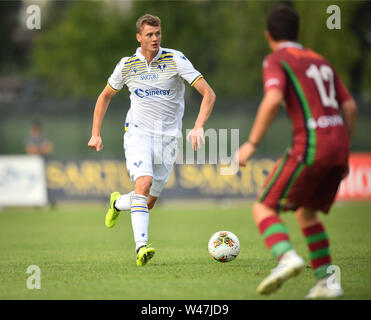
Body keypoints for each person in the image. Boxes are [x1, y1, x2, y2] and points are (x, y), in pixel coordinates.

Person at [236, 5, 357, 298]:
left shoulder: (277, 59)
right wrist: (343, 149)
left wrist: (251, 143)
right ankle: (328, 283)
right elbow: (350, 107)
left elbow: (273, 97)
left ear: (269, 35)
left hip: (312, 144)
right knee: (307, 213)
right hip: (339, 145)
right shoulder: (320, 60)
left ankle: (286, 257)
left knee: (263, 206)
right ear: (297, 32)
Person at [88, 14, 216, 266]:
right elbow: (104, 96)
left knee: (147, 201)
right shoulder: (127, 65)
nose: (155, 38)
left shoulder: (175, 59)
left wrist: (199, 126)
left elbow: (208, 93)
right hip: (138, 132)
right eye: (149, 34)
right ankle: (141, 248)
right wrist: (95, 132)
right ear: (139, 37)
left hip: (169, 138)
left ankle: (117, 202)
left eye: (158, 33)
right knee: (143, 183)